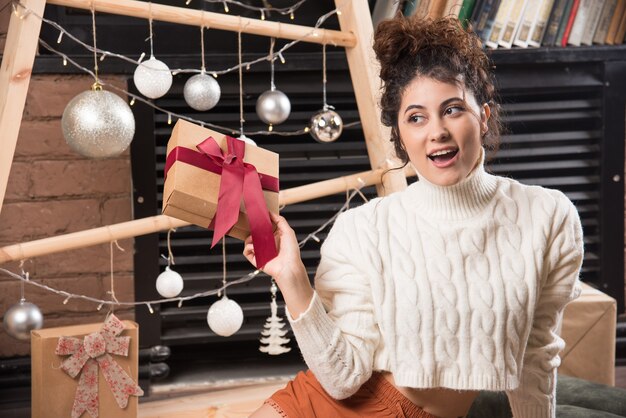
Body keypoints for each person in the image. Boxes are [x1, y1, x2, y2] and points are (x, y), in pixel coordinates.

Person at [244, 14, 584, 418]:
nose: (437, 131)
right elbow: (342, 378)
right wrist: (292, 277)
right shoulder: (362, 228)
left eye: (453, 109)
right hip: (326, 403)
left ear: (484, 117)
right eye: (416, 117)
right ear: (402, 137)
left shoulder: (548, 216)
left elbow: (538, 354)